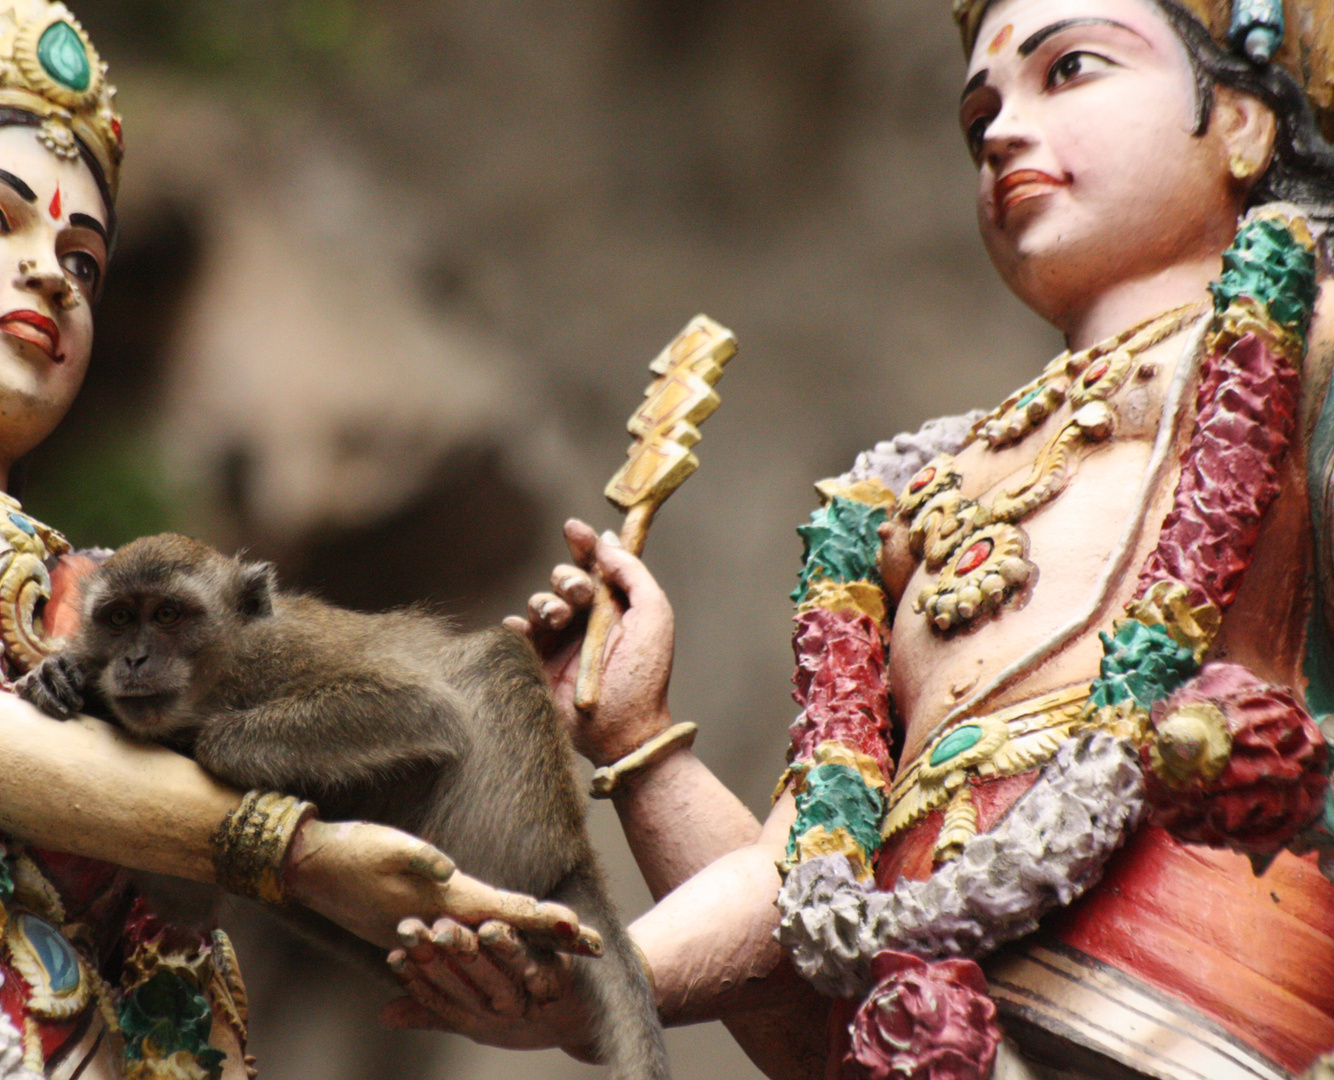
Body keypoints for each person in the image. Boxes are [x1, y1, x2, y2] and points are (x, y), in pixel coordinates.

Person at [386, 0, 1334, 1076]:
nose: (1004, 134)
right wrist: (619, 823)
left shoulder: (1300, 339)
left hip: (1212, 1026)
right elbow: (809, 935)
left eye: (1068, 69)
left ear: (1245, 125)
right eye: (979, 118)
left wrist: (1259, 768)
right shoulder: (912, 497)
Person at [0, 2, 590, 1077]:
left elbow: (180, 881)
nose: (48, 273)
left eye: (81, 260)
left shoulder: (99, 596)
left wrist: (493, 898)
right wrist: (300, 856)